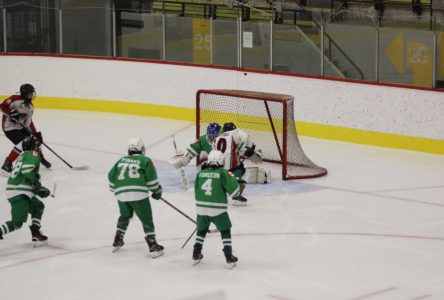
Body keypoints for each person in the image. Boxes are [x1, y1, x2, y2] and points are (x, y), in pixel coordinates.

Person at [174, 122, 263, 205]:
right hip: (219, 166)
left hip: (217, 167)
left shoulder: (220, 139)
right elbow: (194, 149)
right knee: (237, 171)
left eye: (215, 135)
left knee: (236, 171)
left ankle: (219, 183)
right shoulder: (205, 139)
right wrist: (187, 157)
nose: (213, 137)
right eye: (211, 135)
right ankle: (231, 186)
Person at [108, 138, 164, 258]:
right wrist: (157, 191)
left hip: (121, 194)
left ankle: (118, 238)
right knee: (146, 219)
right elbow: (152, 182)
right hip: (138, 195)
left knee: (124, 215)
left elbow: (111, 176)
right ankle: (153, 245)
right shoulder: (145, 160)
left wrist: (115, 188)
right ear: (141, 148)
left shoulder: (120, 160)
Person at [0, 133, 51, 247]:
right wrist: (38, 189)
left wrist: (38, 189)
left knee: (38, 206)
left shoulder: (23, 155)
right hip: (19, 192)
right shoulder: (33, 154)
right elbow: (28, 171)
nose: (39, 147)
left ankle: (35, 232)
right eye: (38, 145)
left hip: (20, 190)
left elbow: (27, 174)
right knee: (17, 223)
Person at [192, 150, 240, 268]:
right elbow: (235, 193)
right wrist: (236, 181)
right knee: (225, 230)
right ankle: (228, 255)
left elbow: (196, 190)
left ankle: (196, 252)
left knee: (201, 229)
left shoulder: (200, 173)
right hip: (217, 209)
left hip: (201, 207)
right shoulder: (223, 173)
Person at [0, 83, 51, 173]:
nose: (32, 95)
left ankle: (40, 158)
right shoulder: (15, 99)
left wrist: (34, 133)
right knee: (23, 143)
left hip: (20, 127)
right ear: (24, 93)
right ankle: (7, 164)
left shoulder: (30, 107)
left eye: (32, 93)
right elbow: (2, 106)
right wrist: (10, 113)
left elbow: (28, 122)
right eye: (30, 93)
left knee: (35, 140)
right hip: (9, 127)